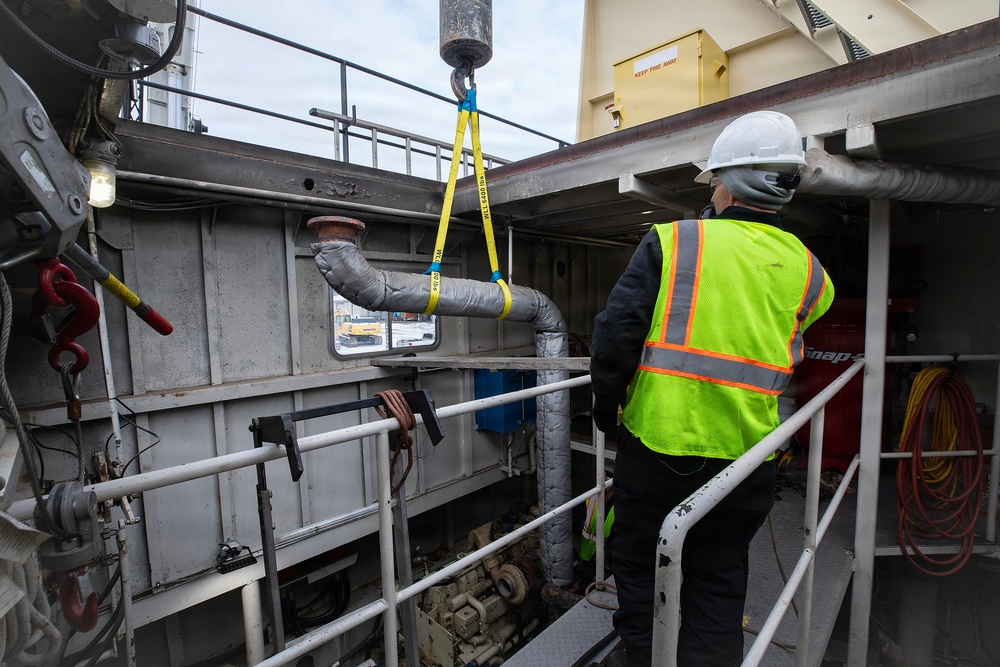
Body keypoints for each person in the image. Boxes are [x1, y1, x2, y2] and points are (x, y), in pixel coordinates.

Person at [589, 110, 834, 667]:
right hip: (746, 463)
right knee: (718, 581)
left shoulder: (673, 242)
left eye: (715, 179)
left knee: (639, 565)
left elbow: (613, 340)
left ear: (732, 180)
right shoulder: (811, 270)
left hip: (657, 454)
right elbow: (794, 330)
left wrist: (606, 412)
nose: (714, 189)